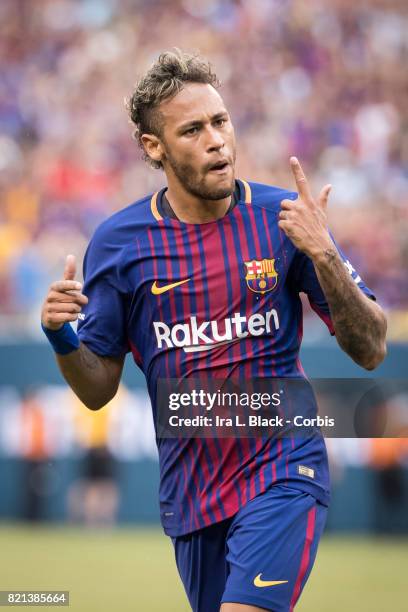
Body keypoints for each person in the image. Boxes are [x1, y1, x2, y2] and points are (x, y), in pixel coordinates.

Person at [41, 50, 387, 612]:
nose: (217, 140)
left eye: (221, 122)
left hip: (284, 468)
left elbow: (372, 348)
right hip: (193, 493)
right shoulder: (119, 244)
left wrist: (324, 254)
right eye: (193, 129)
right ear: (154, 147)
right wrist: (62, 337)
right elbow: (97, 389)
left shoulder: (284, 220)